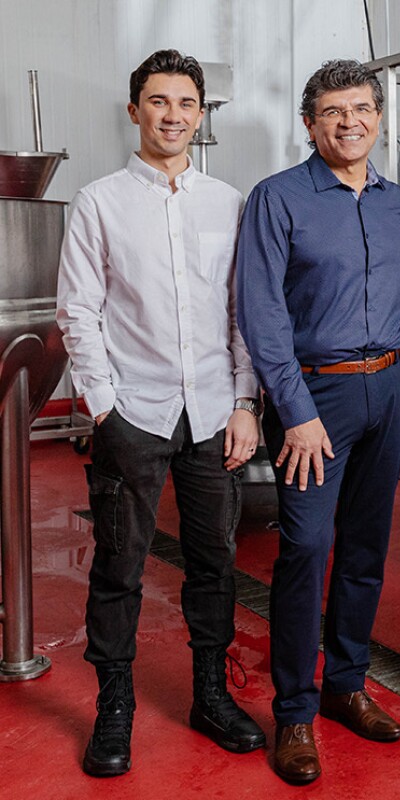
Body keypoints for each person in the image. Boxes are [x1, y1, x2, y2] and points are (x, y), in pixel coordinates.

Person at [56, 50, 266, 778]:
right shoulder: (99, 201)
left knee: (215, 563)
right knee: (119, 566)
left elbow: (245, 313)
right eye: (157, 101)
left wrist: (244, 402)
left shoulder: (230, 203)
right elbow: (78, 311)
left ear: (201, 114)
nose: (172, 115)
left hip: (214, 412)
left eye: (185, 103)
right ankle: (115, 708)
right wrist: (105, 406)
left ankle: (211, 694)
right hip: (133, 414)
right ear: (134, 110)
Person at [236, 59, 400, 784]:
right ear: (309, 123)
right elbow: (262, 313)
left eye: (363, 109)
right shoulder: (277, 199)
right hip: (316, 398)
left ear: (378, 117)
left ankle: (347, 686)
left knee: (368, 550)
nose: (350, 122)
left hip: (389, 393)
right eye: (334, 111)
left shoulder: (399, 203)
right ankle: (294, 713)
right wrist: (296, 412)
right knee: (307, 548)